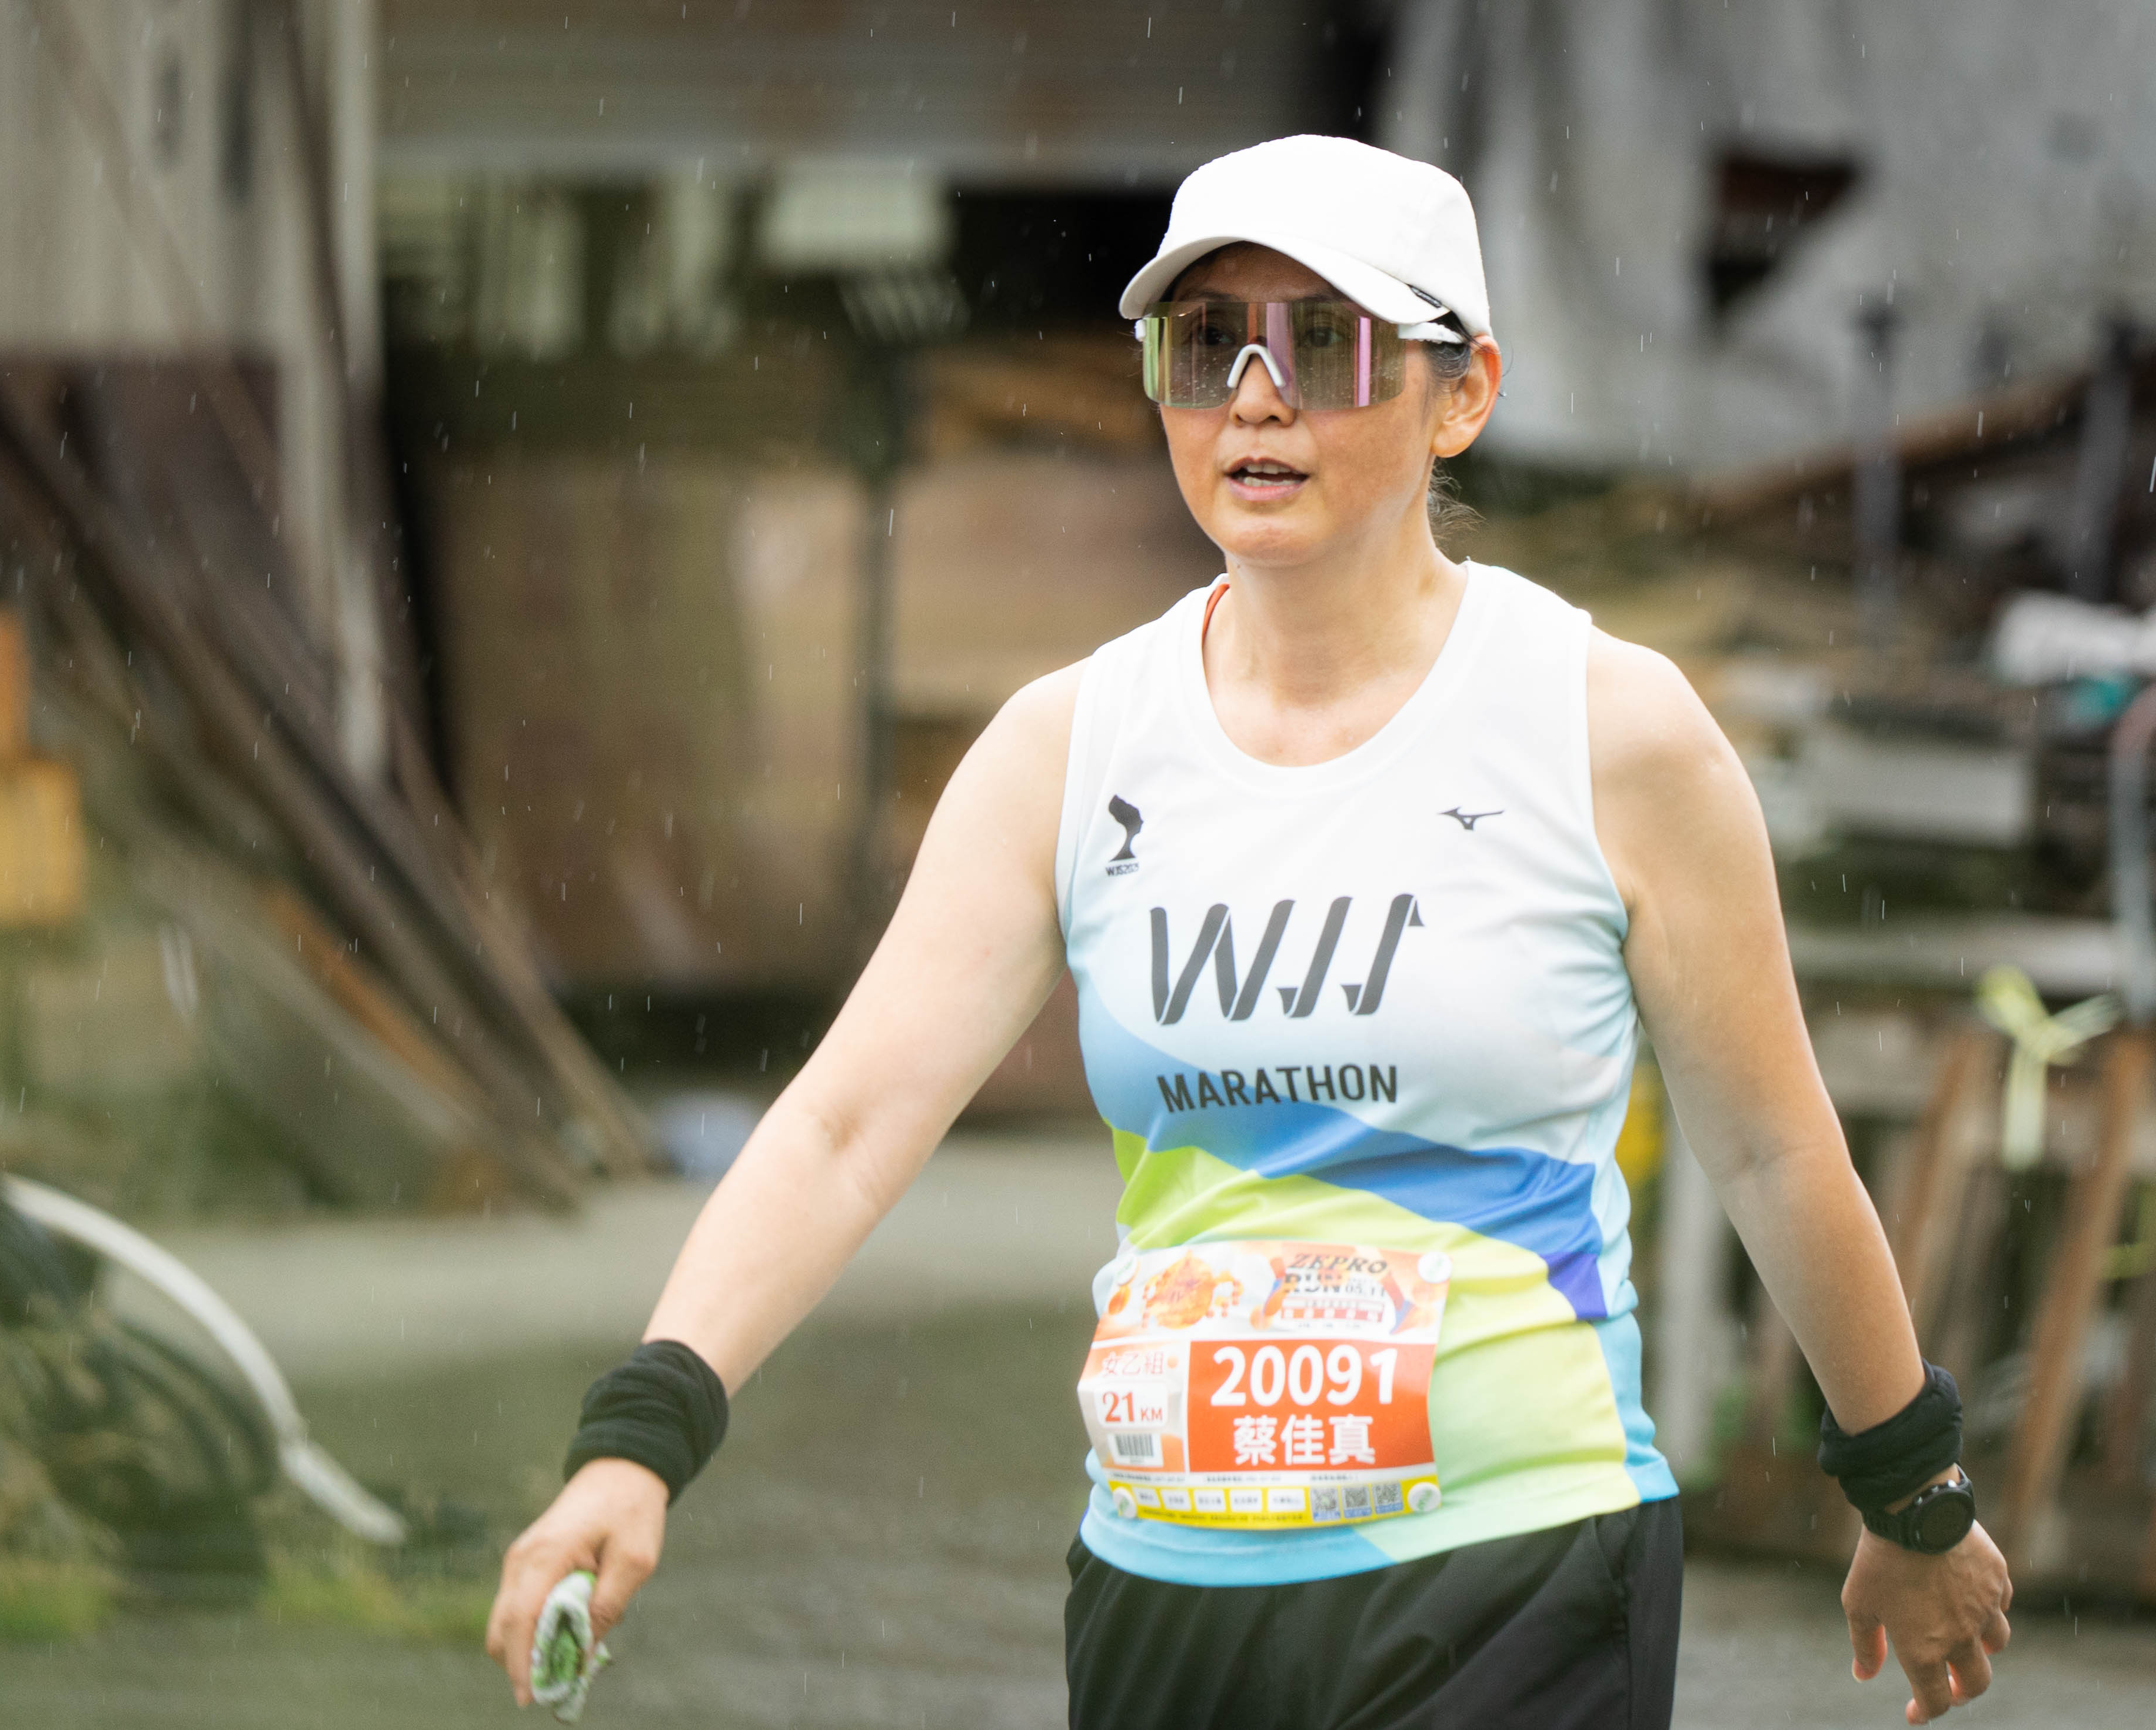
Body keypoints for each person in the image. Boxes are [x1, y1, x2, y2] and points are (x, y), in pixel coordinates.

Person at [486, 134, 2012, 1729]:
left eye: (1326, 346)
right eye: (1207, 345)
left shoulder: (1607, 731)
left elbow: (1772, 1149)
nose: (1257, 399)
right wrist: (639, 1436)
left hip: (1511, 1571)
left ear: (1463, 395)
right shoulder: (1069, 748)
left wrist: (1909, 1488)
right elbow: (846, 1126)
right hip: (1167, 1585)